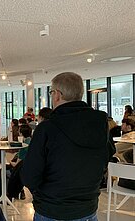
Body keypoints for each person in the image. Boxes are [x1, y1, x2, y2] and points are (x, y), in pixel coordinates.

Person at [21, 72, 115, 221]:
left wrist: (41, 194)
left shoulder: (47, 128)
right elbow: (107, 157)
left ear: (57, 95)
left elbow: (29, 176)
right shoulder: (101, 124)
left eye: (51, 92)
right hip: (88, 209)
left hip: (52, 209)